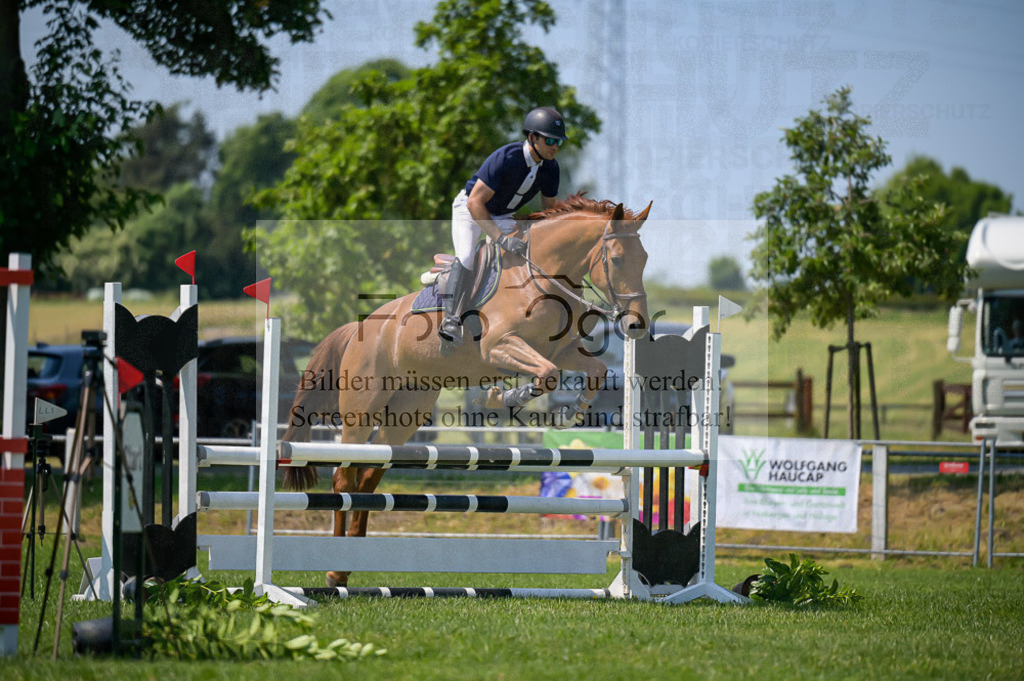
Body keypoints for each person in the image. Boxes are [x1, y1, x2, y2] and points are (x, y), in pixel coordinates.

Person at [438, 106, 568, 345]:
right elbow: (476, 202)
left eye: (558, 141)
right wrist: (500, 238)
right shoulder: (507, 158)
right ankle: (452, 320)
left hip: (504, 215)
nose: (555, 146)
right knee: (466, 256)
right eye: (550, 140)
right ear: (532, 137)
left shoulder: (551, 168)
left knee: (529, 254)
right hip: (470, 208)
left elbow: (549, 211)